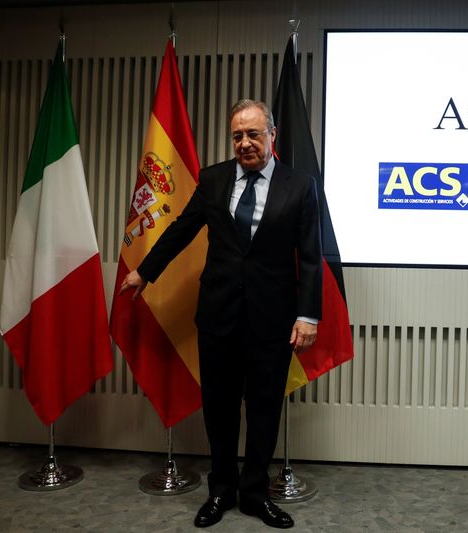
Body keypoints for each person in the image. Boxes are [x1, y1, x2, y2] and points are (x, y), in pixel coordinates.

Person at [120, 99, 322, 529]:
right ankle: (221, 491)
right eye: (237, 135)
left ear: (272, 135)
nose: (244, 143)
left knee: (265, 409)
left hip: (272, 321)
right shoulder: (212, 180)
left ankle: (254, 494)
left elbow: (309, 256)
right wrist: (145, 272)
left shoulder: (300, 185)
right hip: (219, 317)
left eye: (253, 134)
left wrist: (308, 317)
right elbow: (181, 229)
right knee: (220, 409)